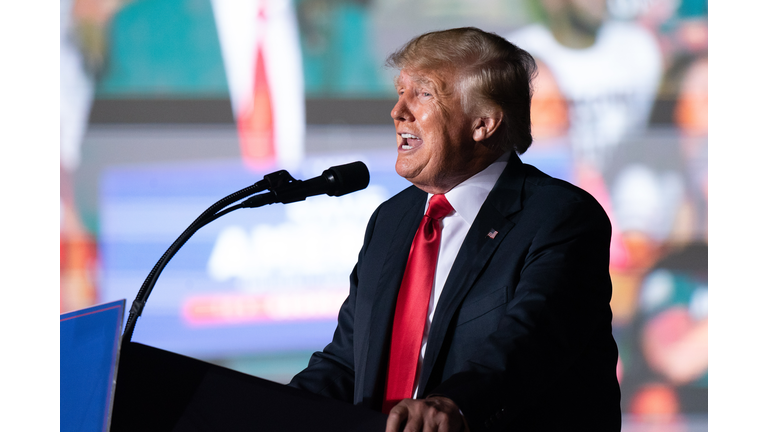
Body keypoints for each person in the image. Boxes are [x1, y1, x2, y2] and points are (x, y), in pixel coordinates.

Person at [289, 27, 620, 431]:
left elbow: (530, 343)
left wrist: (456, 404)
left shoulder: (559, 216)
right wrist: (269, 408)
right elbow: (346, 361)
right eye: (400, 92)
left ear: (483, 123)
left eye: (424, 93)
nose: (398, 111)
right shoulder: (390, 220)